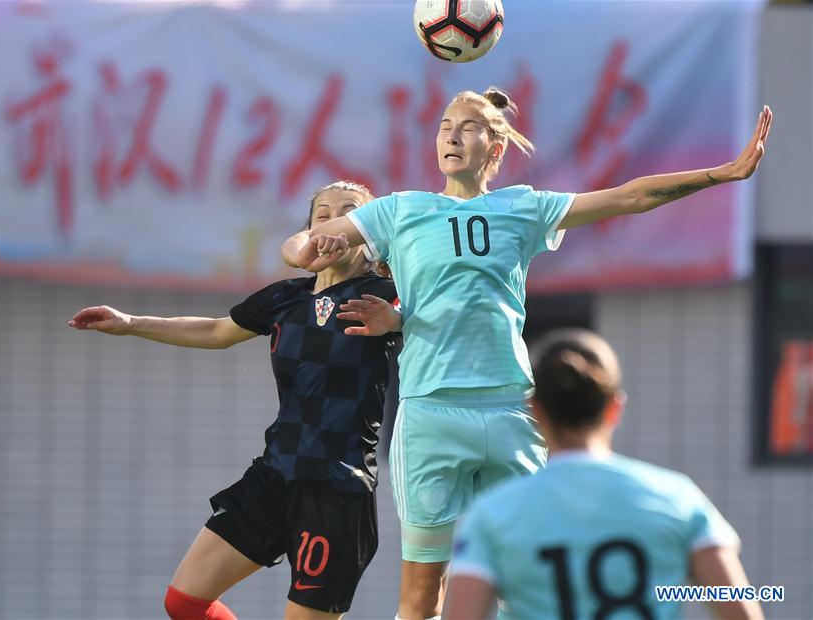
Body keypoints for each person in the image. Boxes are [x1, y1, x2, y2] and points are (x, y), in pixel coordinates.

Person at [281, 88, 772, 620]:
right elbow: (299, 245)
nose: (451, 133)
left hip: (512, 411)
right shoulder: (400, 210)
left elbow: (629, 195)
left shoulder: (523, 206)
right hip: (429, 411)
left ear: (495, 147)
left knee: (528, 586)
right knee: (423, 594)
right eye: (446, 124)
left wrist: (718, 174)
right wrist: (309, 246)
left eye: (468, 126)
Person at [69, 181, 399, 620]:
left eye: (349, 212)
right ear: (308, 231)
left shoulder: (387, 295)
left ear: (368, 235)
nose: (333, 222)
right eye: (323, 213)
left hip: (337, 487)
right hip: (275, 475)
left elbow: (435, 322)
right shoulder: (285, 299)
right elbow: (216, 331)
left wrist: (398, 320)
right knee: (184, 602)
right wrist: (130, 322)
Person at [444, 328, 764, 620]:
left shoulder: (492, 516)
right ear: (615, 407)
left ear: (535, 411)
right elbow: (742, 611)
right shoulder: (678, 497)